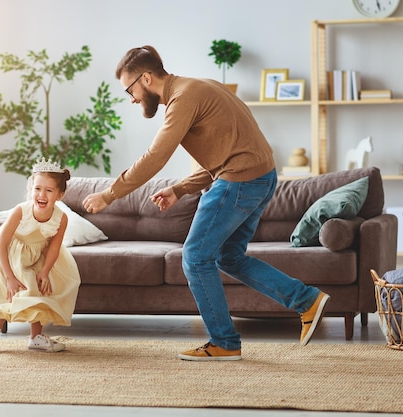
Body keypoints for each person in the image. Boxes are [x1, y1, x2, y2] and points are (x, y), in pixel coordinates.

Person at [82, 45, 330, 361]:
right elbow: (227, 150)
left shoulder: (182, 99)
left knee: (195, 257)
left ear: (146, 78)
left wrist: (109, 193)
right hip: (260, 178)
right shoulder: (200, 86)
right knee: (229, 256)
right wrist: (181, 188)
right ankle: (305, 299)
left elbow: (155, 156)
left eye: (129, 89)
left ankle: (224, 342)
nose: (130, 99)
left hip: (239, 182)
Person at [0, 158, 81, 353]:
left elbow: (54, 248)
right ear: (31, 189)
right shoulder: (20, 211)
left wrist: (45, 271)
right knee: (17, 289)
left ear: (59, 195)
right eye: (37, 189)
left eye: (49, 191)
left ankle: (36, 337)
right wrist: (9, 276)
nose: (42, 194)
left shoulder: (61, 217)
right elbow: (1, 243)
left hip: (37, 254)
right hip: (10, 253)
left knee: (39, 288)